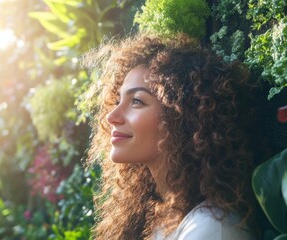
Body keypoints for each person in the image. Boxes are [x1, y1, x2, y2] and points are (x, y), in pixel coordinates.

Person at [83, 33, 265, 240]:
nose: (111, 116)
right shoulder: (151, 217)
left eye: (137, 101)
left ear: (181, 116)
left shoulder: (211, 228)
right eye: (118, 100)